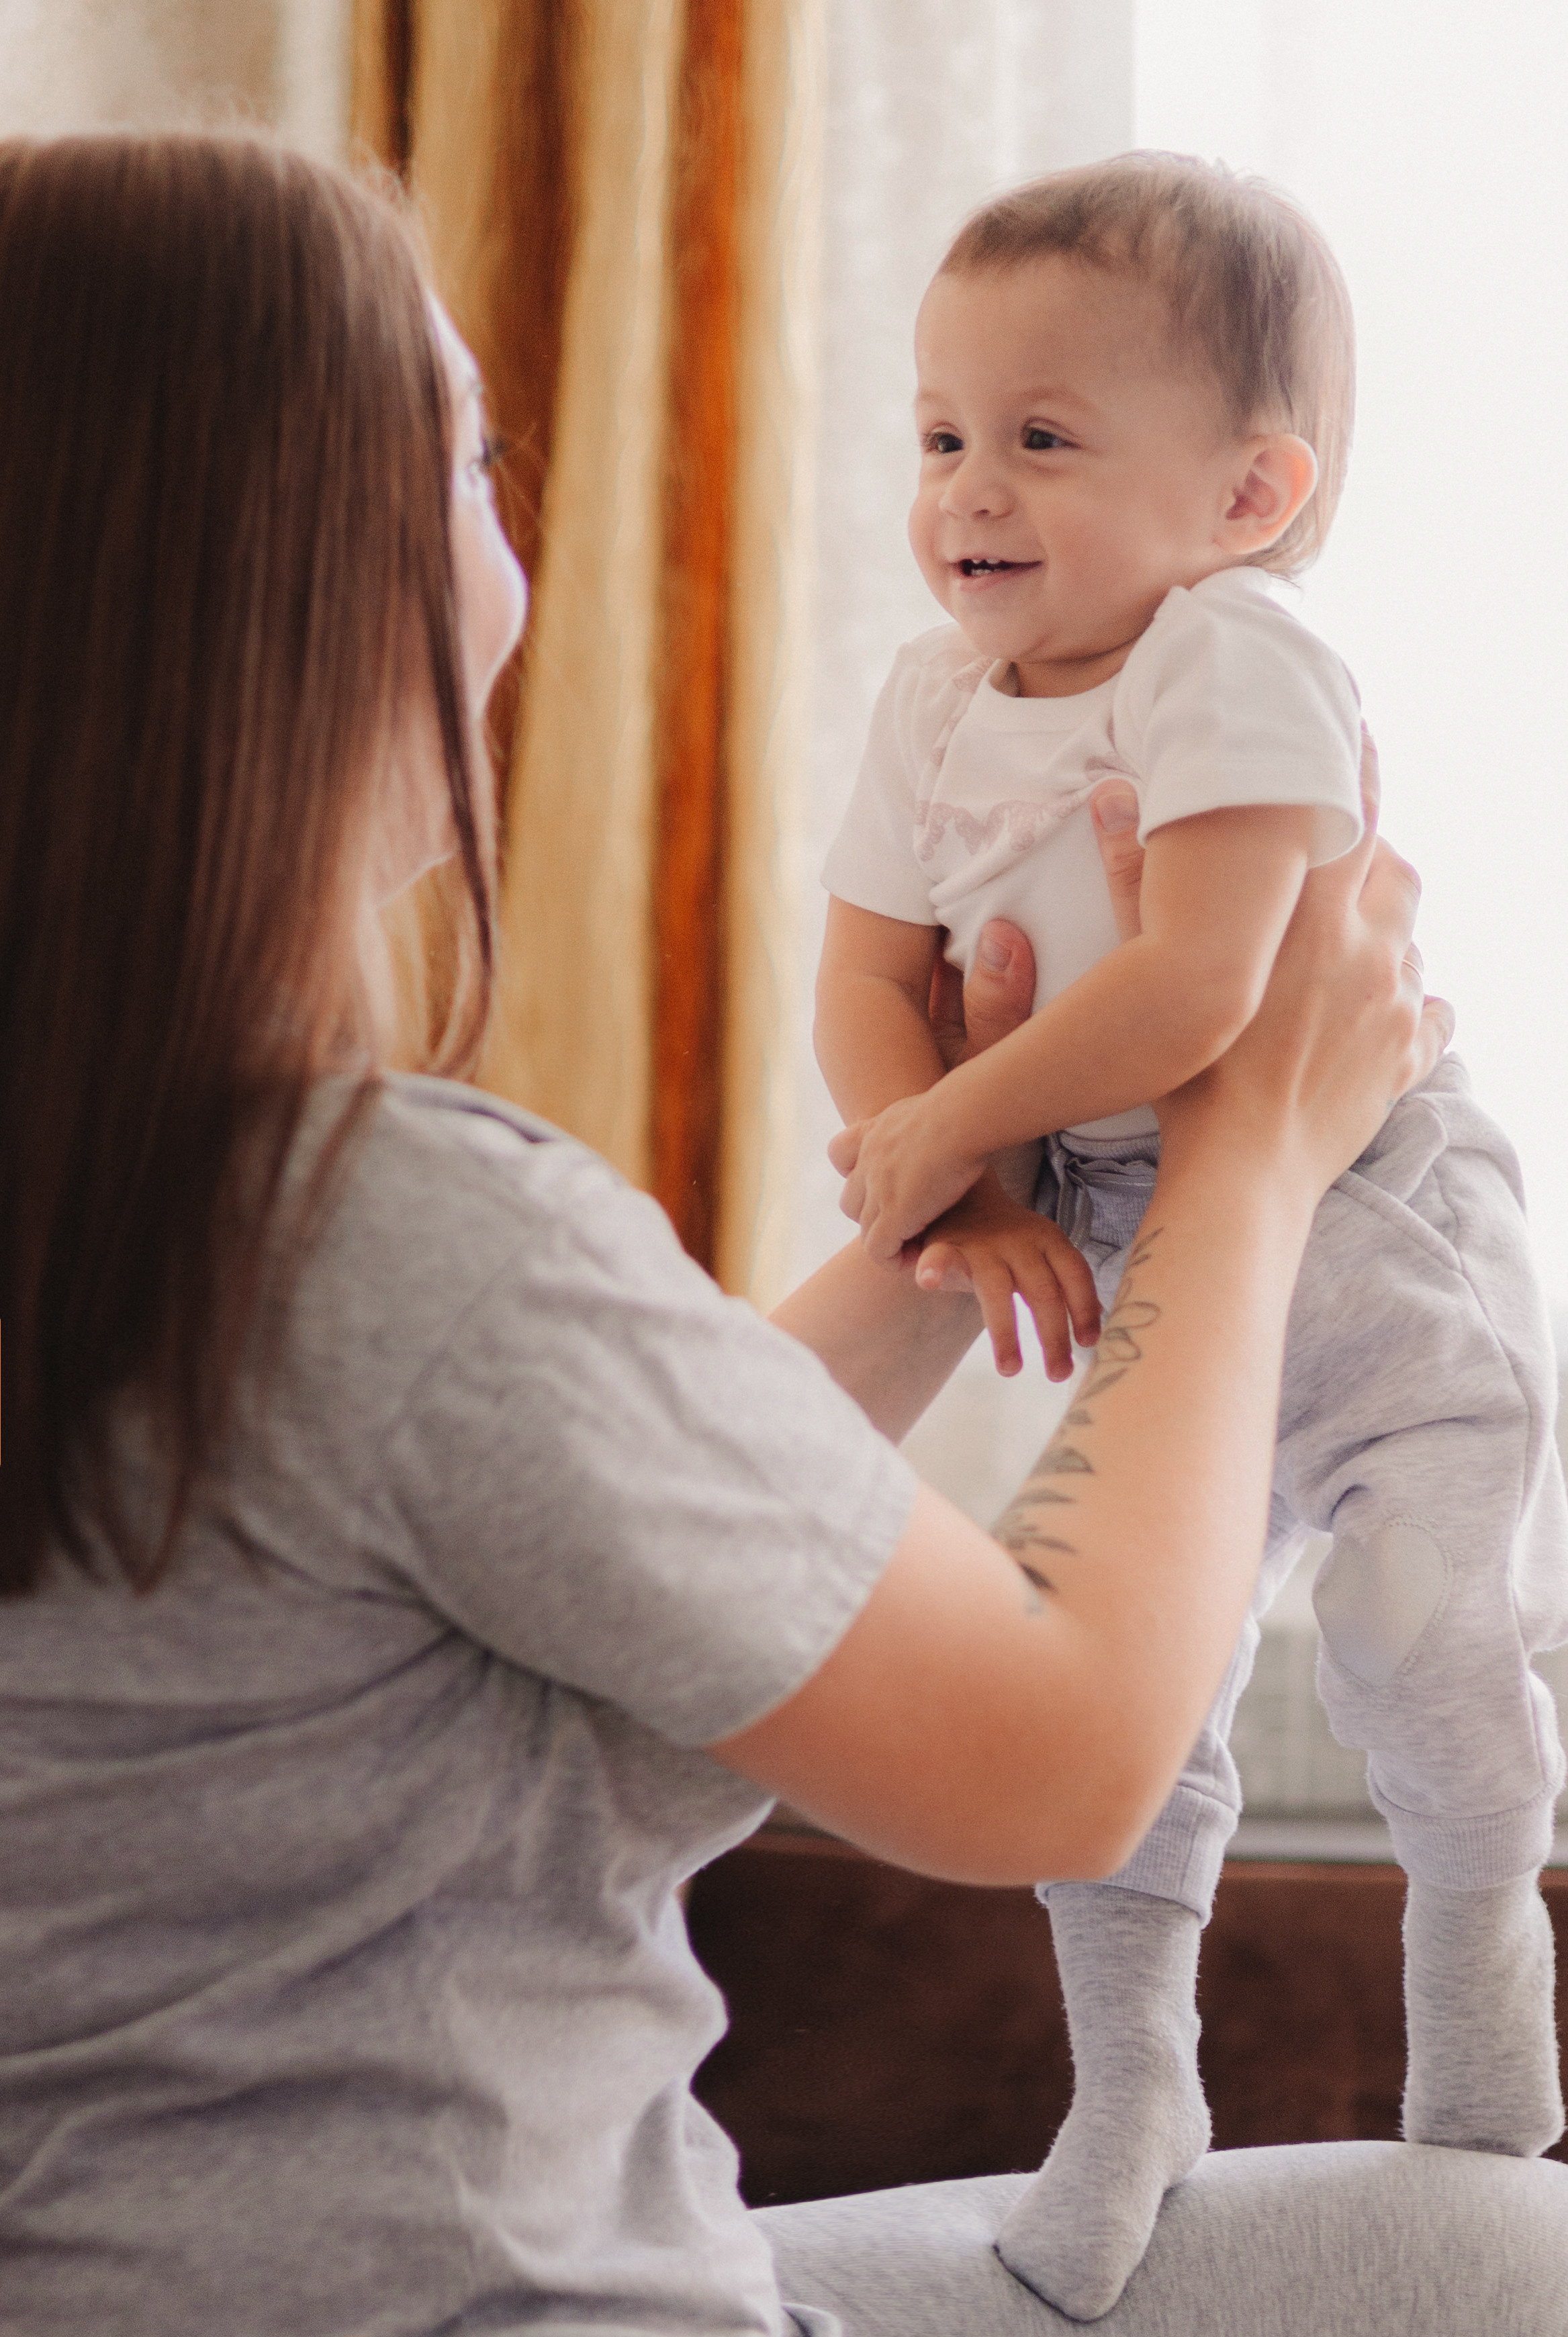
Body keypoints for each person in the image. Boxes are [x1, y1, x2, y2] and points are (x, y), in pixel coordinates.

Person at [0, 130, 1562, 2337]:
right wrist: (1248, 1148)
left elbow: (605, 1466)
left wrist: (954, 1183)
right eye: (472, 463)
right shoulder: (390, 1243)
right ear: (295, 582)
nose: (518, 541)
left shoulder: (189, 1235)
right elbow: (1068, 1759)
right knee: (1510, 2272)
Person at [815, 154, 1568, 2317]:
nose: (970, 484)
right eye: (943, 432)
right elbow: (860, 984)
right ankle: (1134, 2085)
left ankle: (1478, 1985)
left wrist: (953, 1119)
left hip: (1368, 1216)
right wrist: (936, 1173)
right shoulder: (929, 706)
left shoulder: (1237, 657)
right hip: (1141, 1221)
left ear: (1248, 496)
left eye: (1044, 438)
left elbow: (1203, 994)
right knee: (1131, 1688)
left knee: (1426, 1653)